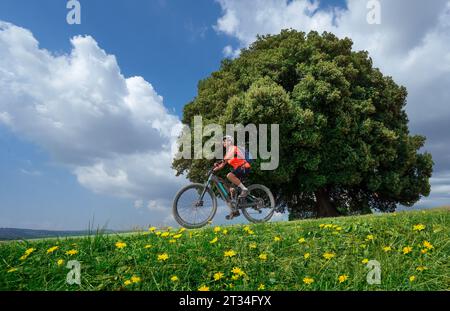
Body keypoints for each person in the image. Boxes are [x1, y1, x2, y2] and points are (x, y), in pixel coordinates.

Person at [213, 135, 251, 220]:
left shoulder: (233, 148)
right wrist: (213, 169)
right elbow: (222, 165)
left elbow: (226, 159)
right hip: (239, 170)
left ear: (230, 141)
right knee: (232, 190)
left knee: (229, 175)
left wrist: (220, 161)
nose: (223, 142)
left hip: (244, 167)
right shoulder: (227, 153)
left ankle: (244, 189)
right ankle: (235, 211)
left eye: (225, 140)